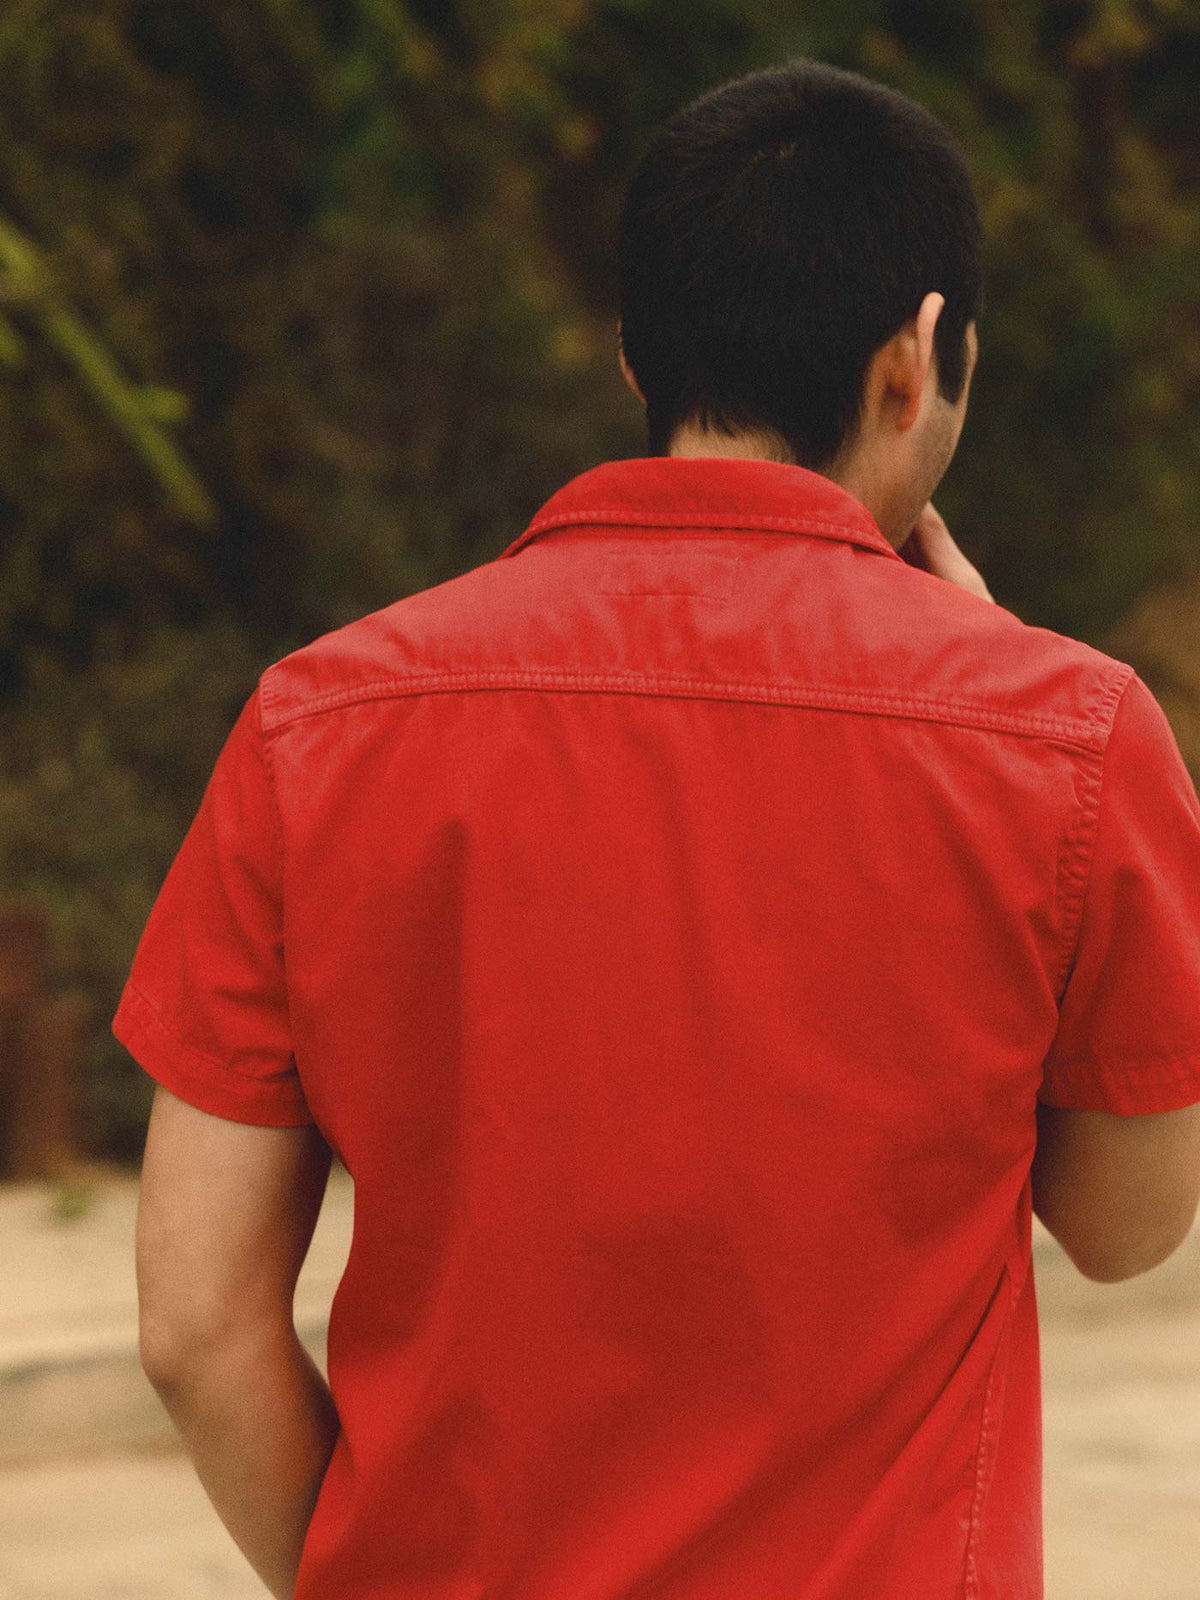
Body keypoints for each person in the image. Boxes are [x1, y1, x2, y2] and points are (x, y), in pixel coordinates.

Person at [116, 56, 1200, 1600]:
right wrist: (1010, 688)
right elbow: (1124, 1226)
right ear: (919, 359)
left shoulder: (319, 719)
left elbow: (193, 1326)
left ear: (638, 354)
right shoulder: (1070, 738)